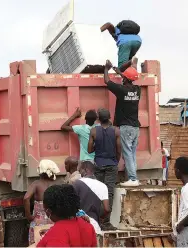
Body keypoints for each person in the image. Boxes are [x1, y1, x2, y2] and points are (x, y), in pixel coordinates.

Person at [104, 59, 141, 187]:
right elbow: (128, 80)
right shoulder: (137, 90)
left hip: (126, 127)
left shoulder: (122, 90)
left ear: (125, 79)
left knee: (127, 153)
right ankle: (134, 177)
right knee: (132, 153)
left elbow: (107, 81)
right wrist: (120, 72)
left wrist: (106, 68)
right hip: (136, 127)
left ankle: (132, 178)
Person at [88, 108, 121, 230]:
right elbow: (119, 150)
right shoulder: (116, 131)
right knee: (109, 192)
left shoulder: (94, 131)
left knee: (98, 192)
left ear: (98, 119)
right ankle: (106, 222)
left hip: (98, 164)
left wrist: (98, 145)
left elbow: (89, 150)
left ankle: (97, 220)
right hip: (111, 164)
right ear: (110, 117)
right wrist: (115, 162)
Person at [24, 159, 60, 245]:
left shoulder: (36, 184)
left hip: (38, 222)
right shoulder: (56, 185)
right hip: (54, 220)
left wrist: (28, 216)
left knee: (37, 243)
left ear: (40, 171)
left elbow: (26, 198)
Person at [73, 160, 109, 232]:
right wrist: (100, 218)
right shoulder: (103, 186)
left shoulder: (77, 183)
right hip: (95, 225)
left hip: (79, 224)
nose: (79, 173)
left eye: (80, 170)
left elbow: (71, 204)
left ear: (85, 169)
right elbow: (107, 209)